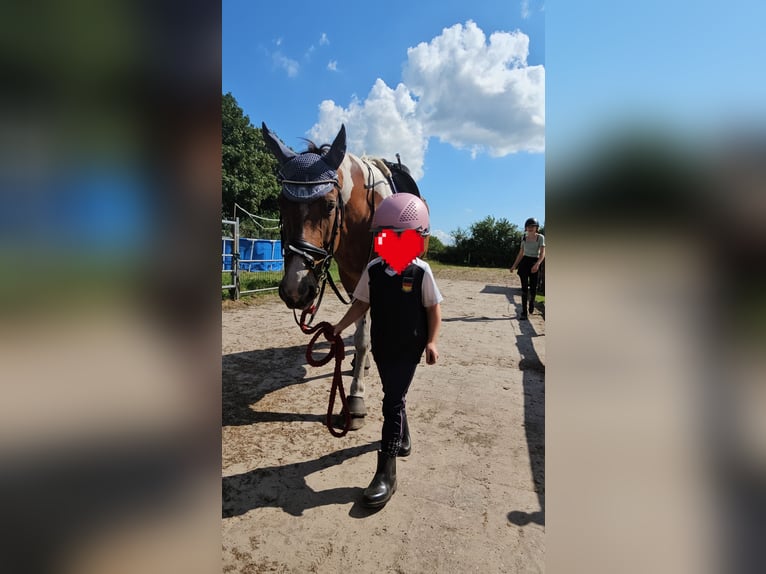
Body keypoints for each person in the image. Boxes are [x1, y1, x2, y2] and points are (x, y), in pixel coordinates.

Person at [333, 193, 443, 508]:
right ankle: (403, 438)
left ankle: (387, 472)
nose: (395, 242)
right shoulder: (374, 270)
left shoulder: (422, 272)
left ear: (419, 239)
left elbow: (433, 310)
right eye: (389, 237)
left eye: (403, 237)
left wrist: (432, 341)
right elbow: (361, 303)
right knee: (394, 395)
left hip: (409, 346)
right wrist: (339, 327)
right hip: (381, 345)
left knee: (391, 403)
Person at [509, 217, 546, 320]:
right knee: (524, 289)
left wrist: (538, 264)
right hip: (525, 262)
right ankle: (524, 312)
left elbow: (543, 253)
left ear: (536, 228)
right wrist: (514, 265)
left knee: (533, 288)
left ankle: (531, 304)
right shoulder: (524, 237)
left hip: (535, 261)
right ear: (526, 228)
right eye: (528, 226)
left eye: (533, 226)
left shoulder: (540, 238)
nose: (530, 228)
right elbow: (521, 253)